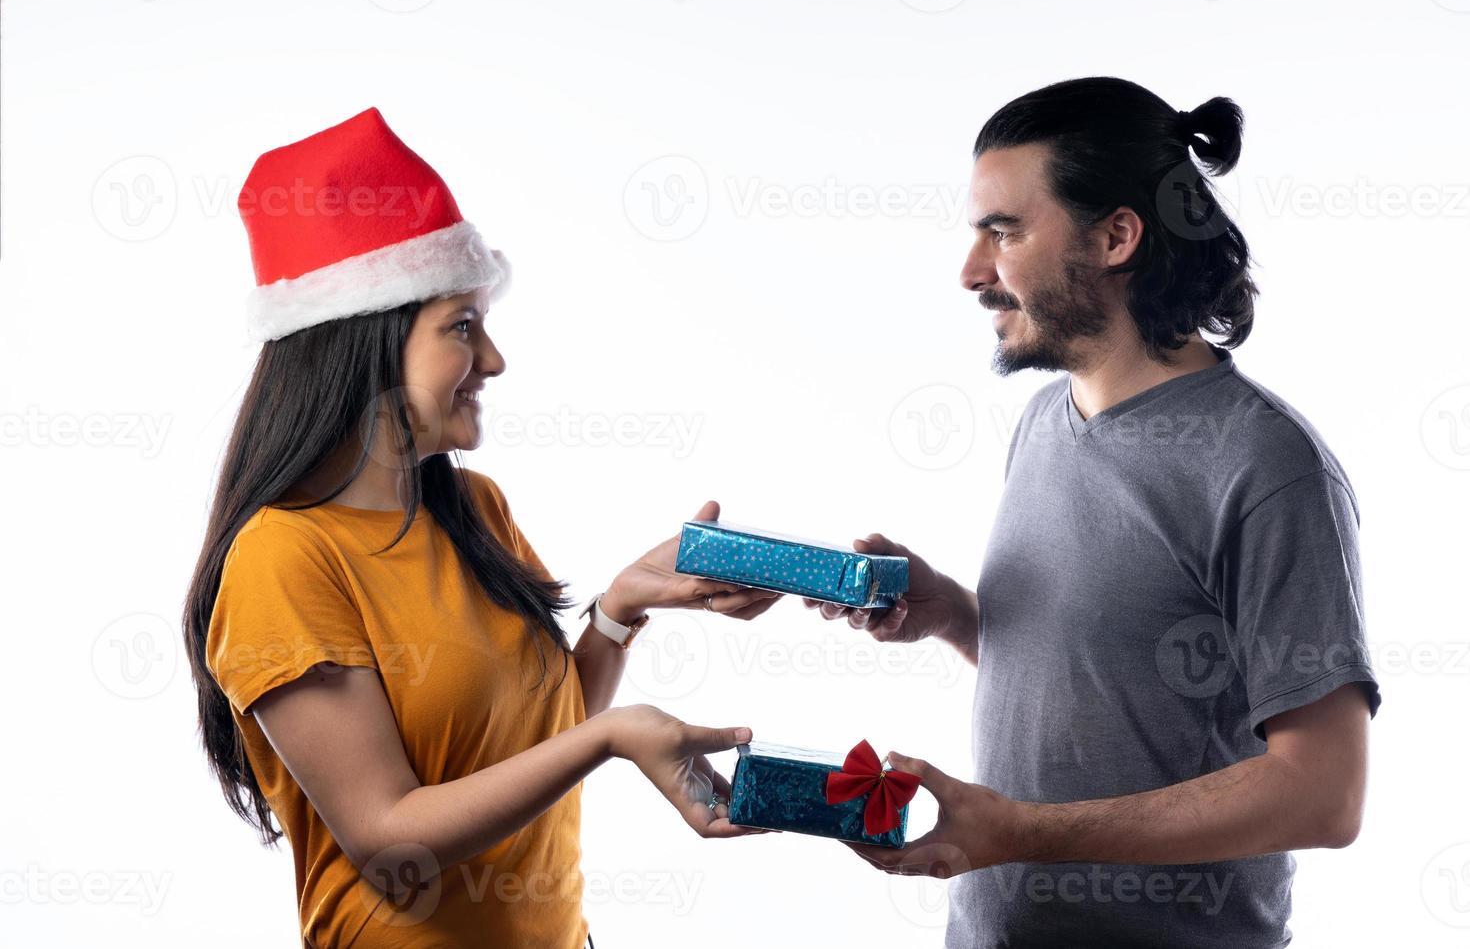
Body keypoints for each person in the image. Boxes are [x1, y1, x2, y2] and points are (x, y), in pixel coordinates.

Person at [182, 107, 777, 948]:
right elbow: (390, 836)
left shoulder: (475, 509)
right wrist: (612, 738)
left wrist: (622, 608)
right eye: (462, 326)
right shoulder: (283, 558)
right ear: (368, 342)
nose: (493, 360)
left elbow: (542, 728)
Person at [808, 77, 1380, 948]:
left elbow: (1325, 792)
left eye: (1003, 232)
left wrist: (1024, 833)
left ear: (1117, 236)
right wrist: (956, 617)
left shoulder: (1267, 466)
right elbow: (1119, 687)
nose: (971, 272)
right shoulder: (1045, 420)